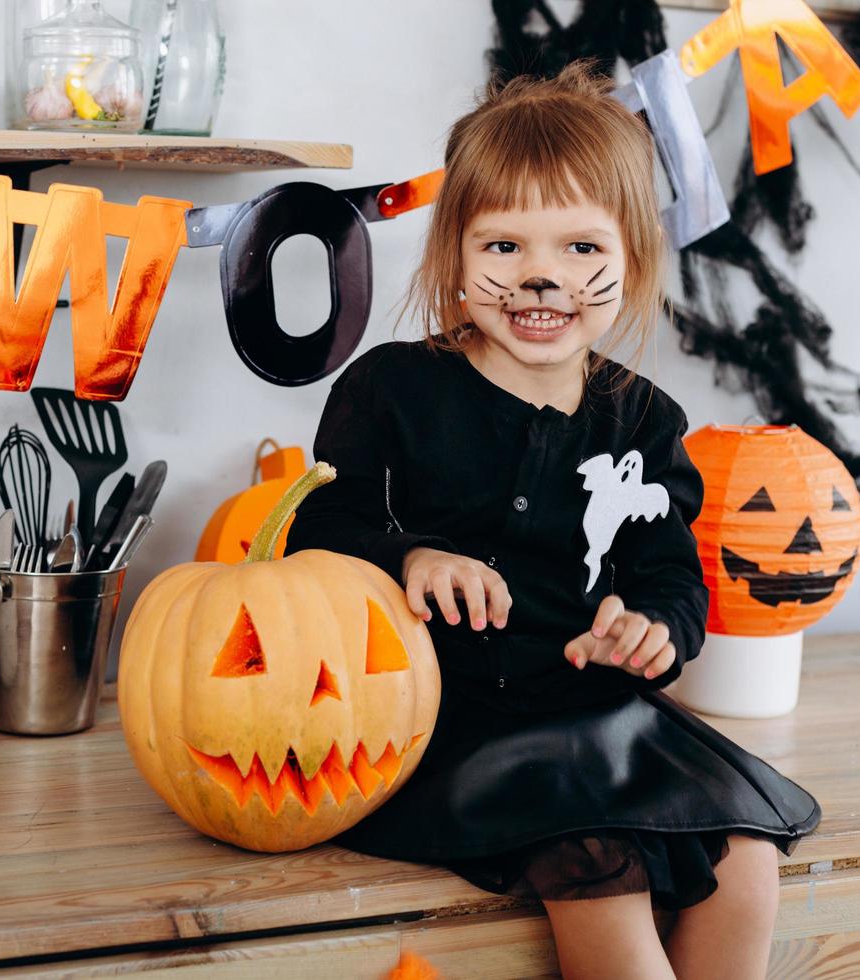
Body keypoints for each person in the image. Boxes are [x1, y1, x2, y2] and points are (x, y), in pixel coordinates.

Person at [285, 62, 820, 980]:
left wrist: (652, 633)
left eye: (580, 249)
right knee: (600, 874)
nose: (542, 278)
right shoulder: (392, 390)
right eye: (505, 249)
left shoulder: (642, 420)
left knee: (746, 860)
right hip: (449, 724)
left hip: (598, 716)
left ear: (632, 260)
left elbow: (669, 578)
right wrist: (410, 557)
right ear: (453, 256)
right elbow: (313, 537)